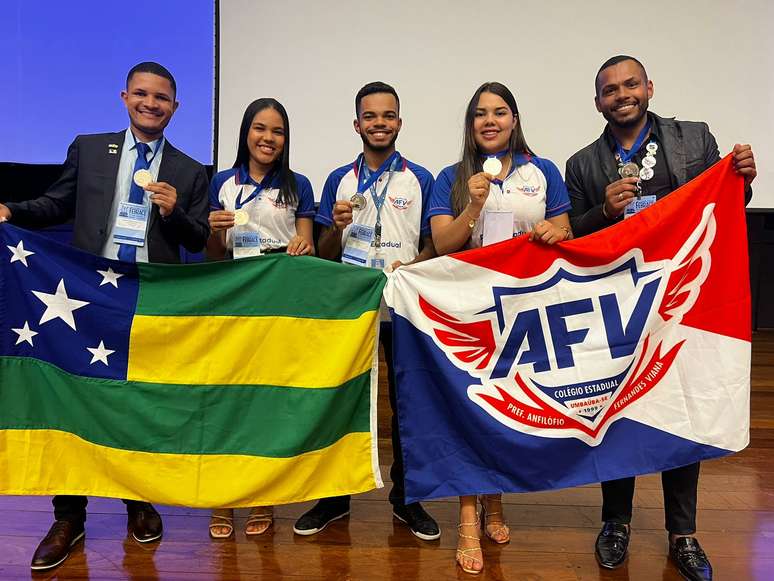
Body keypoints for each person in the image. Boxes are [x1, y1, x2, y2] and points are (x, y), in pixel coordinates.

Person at [0, 61, 210, 571]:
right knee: (75, 400)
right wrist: (12, 211)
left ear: (176, 107)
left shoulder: (188, 169)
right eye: (141, 94)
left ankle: (138, 501)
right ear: (124, 97)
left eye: (161, 97)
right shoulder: (90, 148)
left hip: (147, 300)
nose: (150, 103)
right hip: (84, 296)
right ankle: (68, 517)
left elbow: (199, 237)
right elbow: (56, 204)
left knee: (136, 401)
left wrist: (173, 212)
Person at [565, 55, 756, 581]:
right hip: (620, 308)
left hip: (685, 303)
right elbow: (576, 237)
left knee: (683, 411)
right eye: (610, 90)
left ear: (649, 87)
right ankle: (616, 522)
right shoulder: (582, 164)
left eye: (630, 84)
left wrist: (743, 180)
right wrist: (603, 212)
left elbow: (725, 204)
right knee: (615, 413)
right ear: (598, 101)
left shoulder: (694, 139)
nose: (621, 94)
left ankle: (683, 534)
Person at [428, 81, 573, 574]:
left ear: (514, 120)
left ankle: (495, 500)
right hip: (469, 312)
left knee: (506, 409)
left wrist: (555, 231)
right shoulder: (450, 177)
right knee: (471, 410)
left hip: (526, 311)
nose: (490, 121)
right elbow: (443, 245)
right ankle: (468, 518)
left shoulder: (543, 170)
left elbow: (567, 230)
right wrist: (473, 206)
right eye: (480, 114)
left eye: (500, 112)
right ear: (470, 125)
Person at [296, 81, 439, 541]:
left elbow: (434, 245)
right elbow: (323, 253)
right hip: (351, 309)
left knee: (407, 404)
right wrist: (336, 229)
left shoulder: (420, 178)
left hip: (403, 306)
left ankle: (407, 499)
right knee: (342, 400)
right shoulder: (339, 179)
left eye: (388, 115)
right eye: (371, 116)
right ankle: (334, 499)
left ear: (400, 122)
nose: (380, 123)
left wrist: (413, 266)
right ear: (357, 124)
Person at [206, 97, 315, 537]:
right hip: (234, 300)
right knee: (228, 399)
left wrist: (303, 245)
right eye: (260, 128)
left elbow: (308, 245)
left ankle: (262, 497)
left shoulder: (298, 184)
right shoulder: (222, 182)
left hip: (278, 302)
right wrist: (214, 232)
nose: (268, 138)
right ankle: (222, 499)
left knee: (267, 401)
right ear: (246, 133)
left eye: (278, 131)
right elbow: (214, 255)